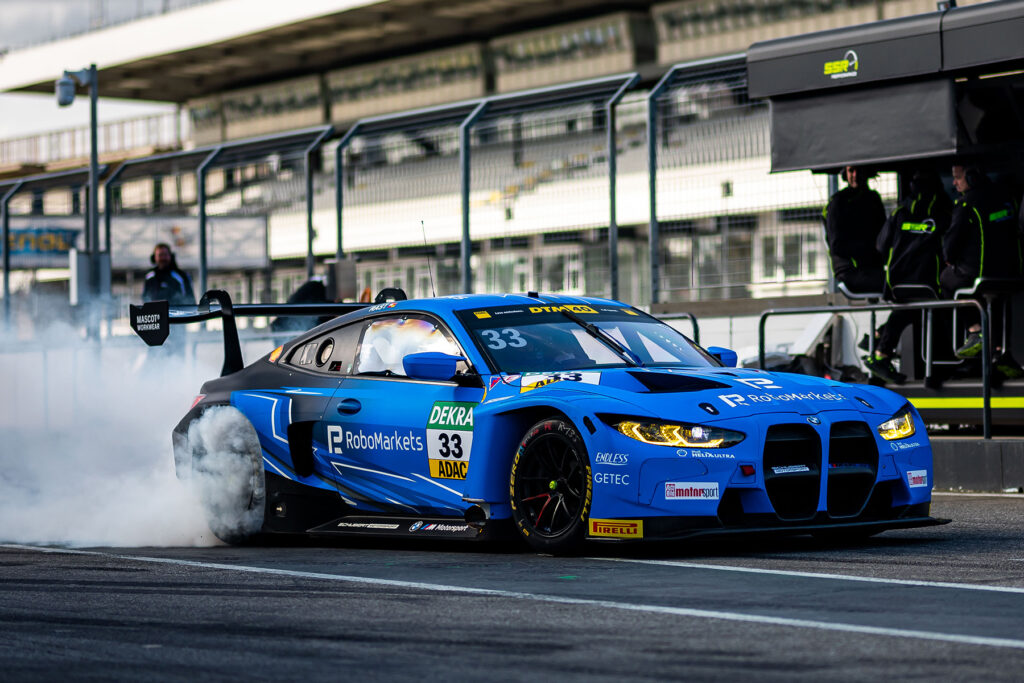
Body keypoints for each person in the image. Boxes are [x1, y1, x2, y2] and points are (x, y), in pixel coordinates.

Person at [863, 170, 951, 384]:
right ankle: (935, 369)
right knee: (938, 310)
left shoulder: (900, 211)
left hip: (898, 283)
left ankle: (881, 349)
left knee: (908, 308)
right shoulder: (944, 209)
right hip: (930, 284)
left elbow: (881, 245)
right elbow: (951, 245)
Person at [941, 163, 1021, 367]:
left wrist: (950, 258)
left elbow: (950, 246)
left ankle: (975, 330)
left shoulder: (966, 204)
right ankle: (999, 350)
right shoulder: (1005, 197)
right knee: (998, 299)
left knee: (946, 278)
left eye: (958, 177)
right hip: (1011, 273)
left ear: (971, 177)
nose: (954, 182)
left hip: (979, 274)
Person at [823, 165, 887, 294]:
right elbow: (837, 246)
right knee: (898, 282)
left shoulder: (873, 199)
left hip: (872, 269)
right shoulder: (838, 202)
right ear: (845, 174)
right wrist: (870, 249)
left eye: (860, 170)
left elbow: (884, 235)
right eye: (851, 171)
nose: (855, 175)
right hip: (851, 272)